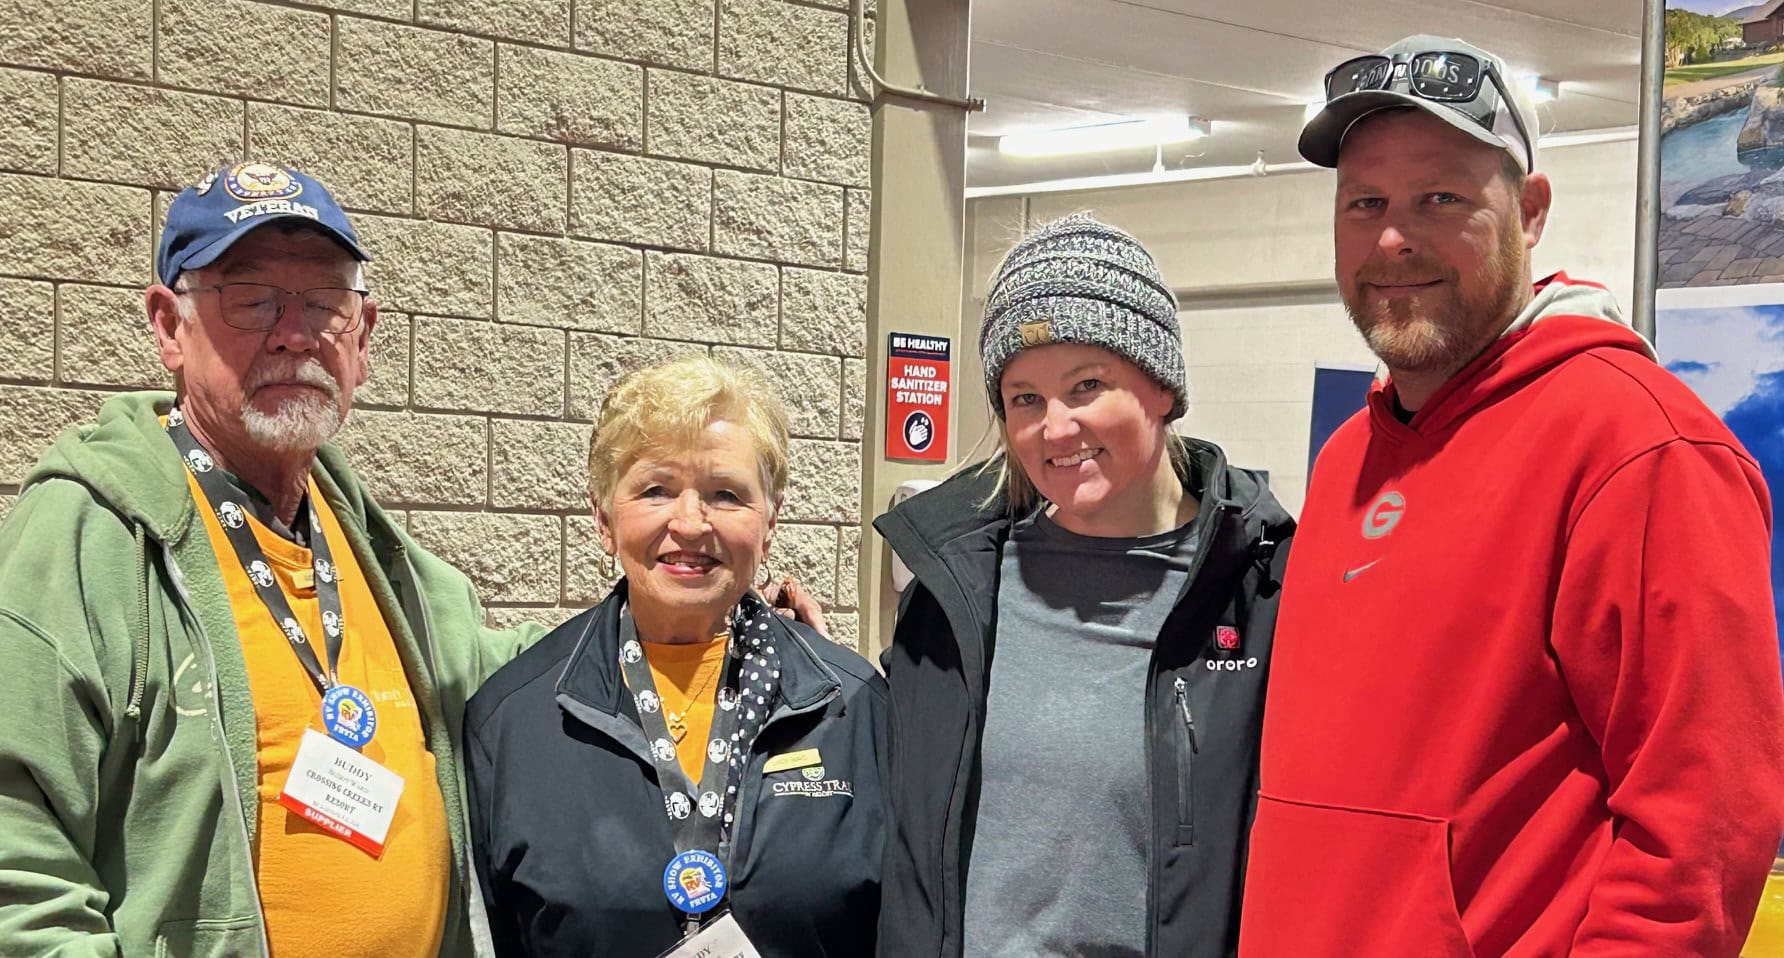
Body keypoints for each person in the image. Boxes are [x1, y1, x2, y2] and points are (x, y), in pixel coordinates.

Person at [1240, 36, 1784, 957]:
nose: (1393, 238)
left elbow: (1701, 833)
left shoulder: (1641, 448)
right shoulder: (1345, 461)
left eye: (1440, 199)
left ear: (1530, 212)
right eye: (1364, 203)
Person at [0, 161, 541, 956]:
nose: (294, 334)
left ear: (364, 335)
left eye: (324, 302)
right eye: (251, 299)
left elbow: (523, 681)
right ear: (166, 326)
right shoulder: (86, 535)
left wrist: (716, 616)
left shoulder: (370, 548)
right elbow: (17, 850)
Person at [874, 213, 1295, 958]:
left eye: (1087, 385)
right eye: (1024, 399)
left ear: (1162, 386)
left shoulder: (1265, 593)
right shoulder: (951, 597)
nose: (1056, 428)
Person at [464, 355, 887, 957]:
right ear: (604, 517)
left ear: (770, 520)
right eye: (656, 489)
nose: (690, 523)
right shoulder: (511, 721)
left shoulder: (855, 707)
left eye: (726, 494)